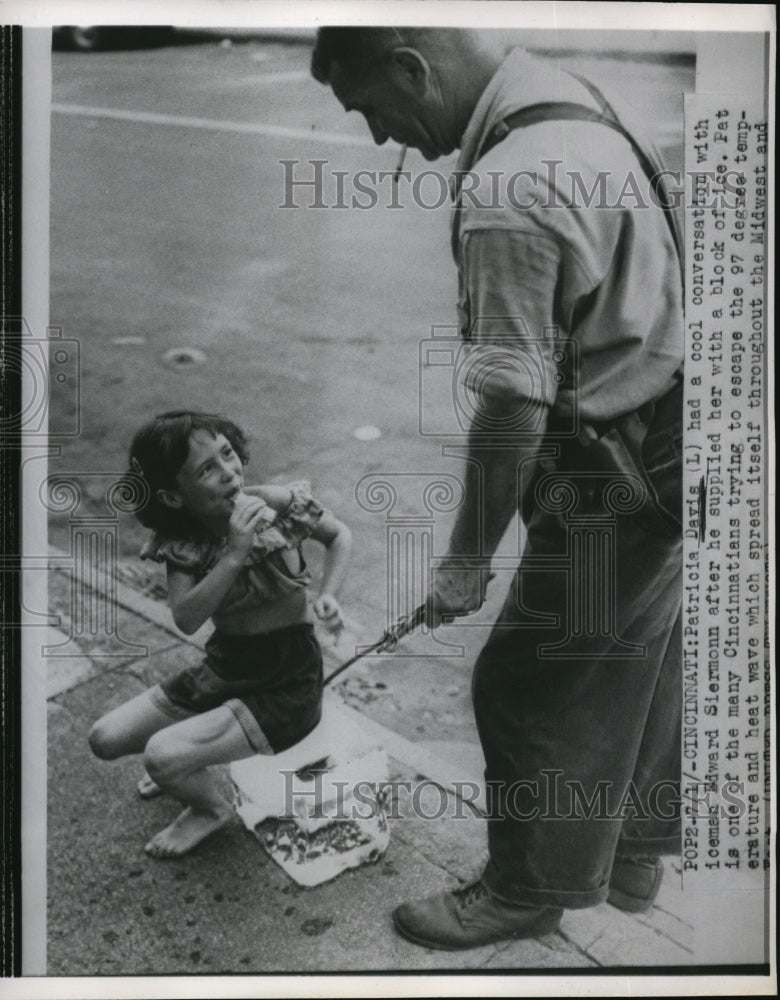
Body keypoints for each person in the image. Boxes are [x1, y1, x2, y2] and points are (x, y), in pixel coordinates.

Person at [312, 27, 683, 950]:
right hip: (679, 432)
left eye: (372, 110)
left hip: (615, 470)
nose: (377, 138)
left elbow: (513, 410)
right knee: (635, 653)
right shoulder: (570, 97)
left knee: (526, 685)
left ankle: (528, 888)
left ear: (411, 68)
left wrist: (466, 560)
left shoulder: (507, 191)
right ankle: (633, 852)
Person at [88, 410, 351, 858]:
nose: (229, 473)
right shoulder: (183, 542)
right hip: (226, 669)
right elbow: (187, 619)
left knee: (161, 756)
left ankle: (209, 808)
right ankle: (187, 761)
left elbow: (339, 535)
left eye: (227, 454)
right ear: (174, 497)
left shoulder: (273, 503)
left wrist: (329, 595)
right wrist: (234, 553)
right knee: (105, 738)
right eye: (206, 470)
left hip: (286, 683)